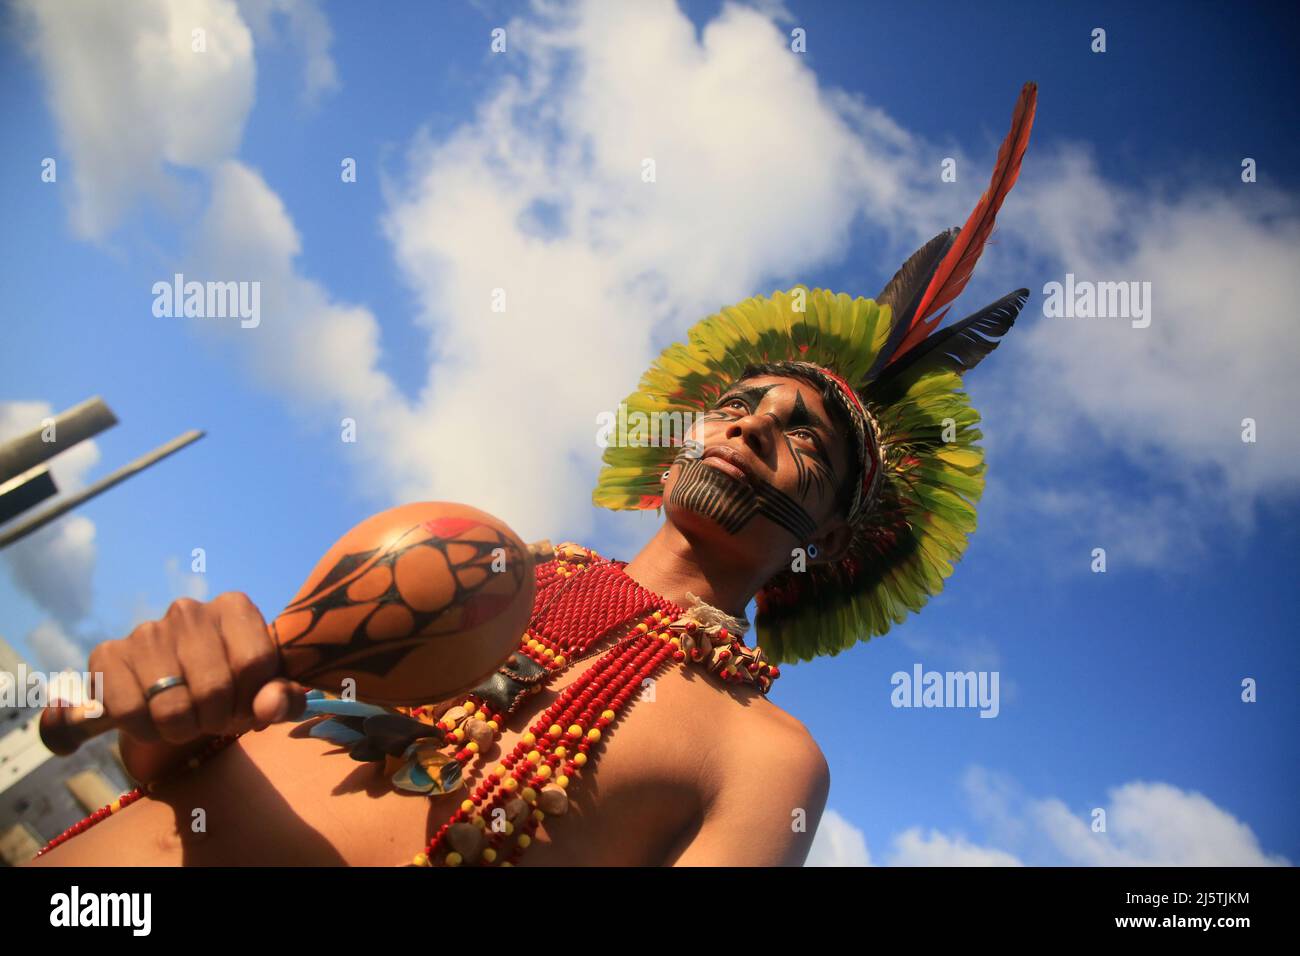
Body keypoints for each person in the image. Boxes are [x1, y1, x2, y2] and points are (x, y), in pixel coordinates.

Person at [27, 81, 1037, 869]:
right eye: (741, 403)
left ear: (828, 538)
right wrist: (171, 704)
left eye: (807, 440)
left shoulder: (766, 759)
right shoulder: (454, 547)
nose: (757, 424)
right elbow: (216, 747)